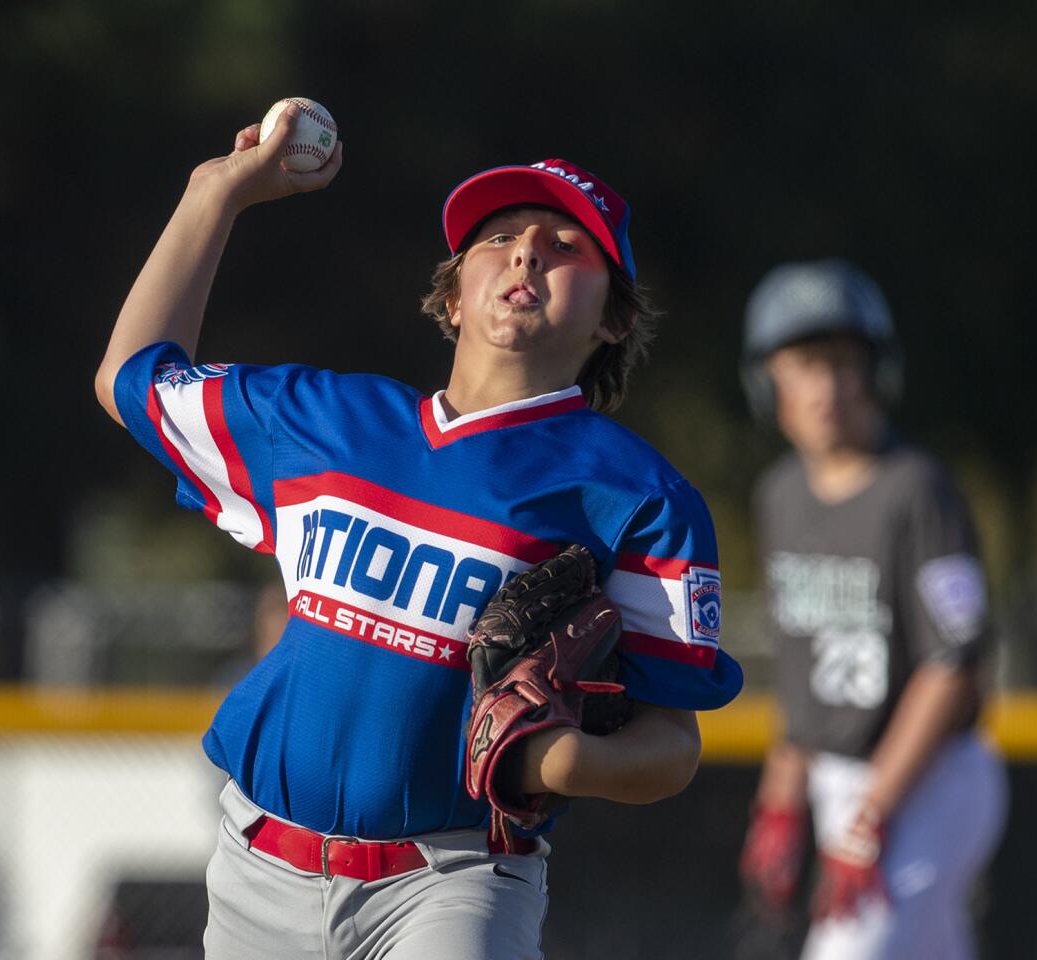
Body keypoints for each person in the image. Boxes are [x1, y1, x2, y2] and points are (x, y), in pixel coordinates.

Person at [93, 103, 743, 959]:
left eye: (566, 245)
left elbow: (671, 748)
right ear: (452, 292)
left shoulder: (637, 495)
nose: (527, 252)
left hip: (455, 881)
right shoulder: (325, 422)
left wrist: (556, 761)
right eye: (501, 235)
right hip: (258, 867)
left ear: (615, 318)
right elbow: (132, 379)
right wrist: (211, 196)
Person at [735, 259, 1006, 959]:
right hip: (837, 775)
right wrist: (779, 803)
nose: (826, 387)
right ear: (768, 382)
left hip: (930, 777)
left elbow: (955, 665)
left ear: (877, 373)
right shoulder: (780, 495)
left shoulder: (917, 489)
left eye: (844, 364)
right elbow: (802, 675)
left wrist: (870, 816)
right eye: (803, 364)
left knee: (855, 950)